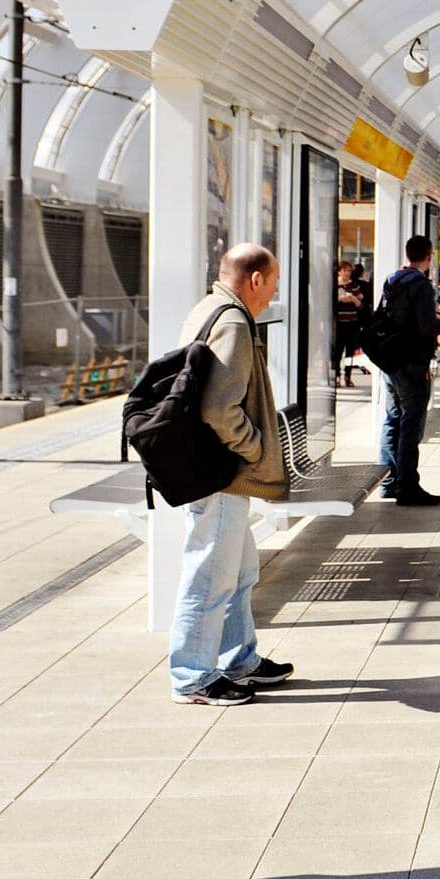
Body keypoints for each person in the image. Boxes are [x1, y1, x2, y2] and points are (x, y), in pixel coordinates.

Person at [168, 244, 296, 706]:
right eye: (273, 282)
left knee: (239, 572)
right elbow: (219, 408)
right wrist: (255, 446)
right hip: (219, 473)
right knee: (209, 577)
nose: (274, 292)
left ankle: (239, 659)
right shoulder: (234, 323)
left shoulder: (209, 308)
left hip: (216, 470)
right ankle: (192, 676)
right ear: (255, 279)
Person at [373, 234, 440, 505]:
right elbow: (426, 326)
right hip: (412, 363)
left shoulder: (393, 280)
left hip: (391, 361)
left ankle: (389, 481)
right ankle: (407, 486)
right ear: (429, 256)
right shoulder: (421, 285)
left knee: (392, 418)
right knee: (411, 423)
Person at [332, 262, 364, 386]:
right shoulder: (334, 285)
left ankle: (348, 376)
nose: (347, 273)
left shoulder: (354, 285)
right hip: (339, 324)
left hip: (352, 323)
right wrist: (341, 299)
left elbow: (360, 304)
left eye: (349, 271)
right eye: (344, 270)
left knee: (350, 352)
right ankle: (336, 376)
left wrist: (353, 299)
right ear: (339, 271)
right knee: (337, 351)